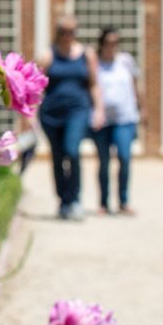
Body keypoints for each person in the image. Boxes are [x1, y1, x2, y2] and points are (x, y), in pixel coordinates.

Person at [38, 16, 104, 220]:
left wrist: (99, 109)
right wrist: (29, 112)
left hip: (78, 110)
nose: (68, 35)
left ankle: (75, 200)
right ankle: (63, 201)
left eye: (72, 31)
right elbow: (37, 85)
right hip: (51, 114)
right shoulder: (48, 55)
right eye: (64, 31)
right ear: (57, 32)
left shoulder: (87, 54)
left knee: (72, 150)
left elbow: (94, 84)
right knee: (57, 157)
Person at [92, 27, 144, 215]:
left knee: (124, 157)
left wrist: (142, 108)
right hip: (102, 121)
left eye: (115, 43)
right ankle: (104, 203)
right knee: (104, 161)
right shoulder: (95, 63)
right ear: (102, 43)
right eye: (108, 43)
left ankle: (123, 201)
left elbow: (135, 86)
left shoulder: (126, 61)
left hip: (125, 118)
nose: (112, 47)